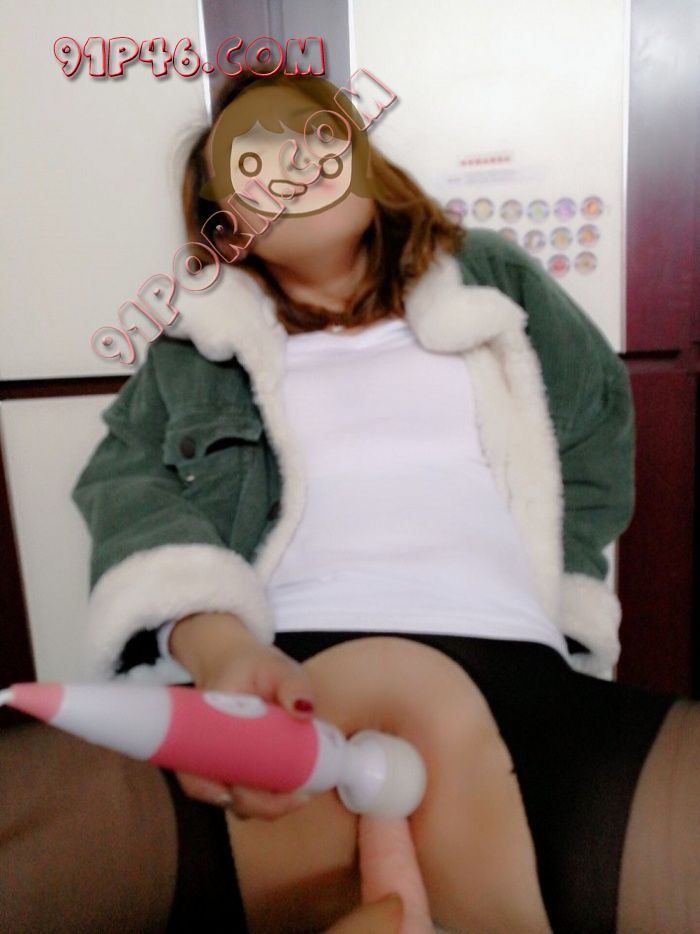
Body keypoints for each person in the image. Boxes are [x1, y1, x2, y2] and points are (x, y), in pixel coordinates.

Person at [2, 71, 698, 933]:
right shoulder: (198, 343)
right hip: (274, 684)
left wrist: (559, 590)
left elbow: (594, 430)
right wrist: (216, 646)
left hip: (522, 675)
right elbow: (122, 481)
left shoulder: (492, 278)